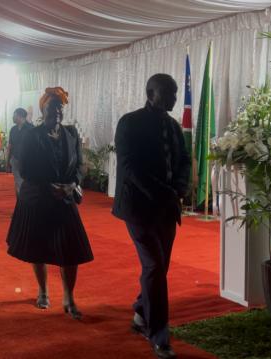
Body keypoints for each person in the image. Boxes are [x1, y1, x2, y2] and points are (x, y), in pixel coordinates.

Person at [113, 74, 191, 359]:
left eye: (175, 92)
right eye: (168, 93)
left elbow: (184, 160)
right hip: (139, 208)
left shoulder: (173, 126)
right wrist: (165, 193)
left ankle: (140, 313)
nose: (173, 98)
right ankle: (158, 335)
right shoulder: (129, 123)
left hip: (167, 209)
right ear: (150, 92)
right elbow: (130, 168)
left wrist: (180, 188)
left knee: (158, 268)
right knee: (155, 266)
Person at [6, 87, 93, 321]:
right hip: (38, 197)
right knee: (39, 249)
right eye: (52, 107)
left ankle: (69, 297)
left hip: (65, 197)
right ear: (43, 109)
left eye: (60, 108)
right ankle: (43, 291)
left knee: (71, 252)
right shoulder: (31, 136)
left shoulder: (71, 134)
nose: (57, 111)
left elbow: (80, 166)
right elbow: (24, 169)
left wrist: (72, 184)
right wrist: (48, 187)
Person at [6, 108, 33, 197]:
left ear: (20, 116)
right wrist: (8, 161)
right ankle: (20, 205)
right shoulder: (13, 129)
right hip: (15, 160)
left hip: (28, 162)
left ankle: (25, 205)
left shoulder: (31, 129)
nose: (12, 117)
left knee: (27, 184)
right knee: (18, 182)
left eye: (14, 115)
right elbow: (10, 146)